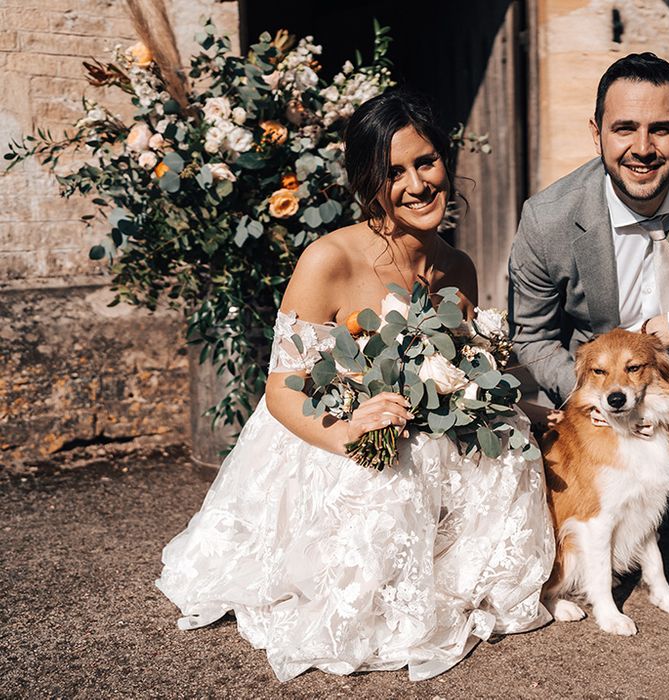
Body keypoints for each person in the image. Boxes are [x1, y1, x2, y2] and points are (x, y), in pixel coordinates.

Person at [158, 90, 555, 681]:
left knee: (511, 446)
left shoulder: (460, 267)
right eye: (393, 172)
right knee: (384, 482)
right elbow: (283, 389)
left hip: (426, 430)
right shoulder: (329, 259)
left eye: (426, 162)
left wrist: (509, 403)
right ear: (368, 182)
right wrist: (349, 433)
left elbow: (462, 371)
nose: (417, 184)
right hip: (334, 432)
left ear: (446, 161)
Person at [509, 52, 669, 615]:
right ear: (597, 131)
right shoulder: (548, 217)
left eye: (660, 128)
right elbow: (529, 335)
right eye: (624, 127)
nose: (643, 147)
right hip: (612, 379)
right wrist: (587, 395)